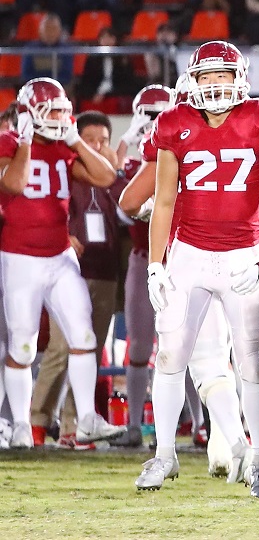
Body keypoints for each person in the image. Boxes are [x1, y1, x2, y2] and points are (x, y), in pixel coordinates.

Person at [134, 42, 259, 498]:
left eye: (223, 75)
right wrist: (156, 265)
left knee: (254, 363)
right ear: (193, 82)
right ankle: (164, 455)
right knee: (170, 358)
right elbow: (164, 201)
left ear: (239, 78)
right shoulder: (174, 122)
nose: (215, 84)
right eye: (206, 77)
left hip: (244, 254)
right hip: (189, 255)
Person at [0, 79, 116, 453]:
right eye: (51, 110)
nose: (60, 117)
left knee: (83, 336)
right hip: (19, 257)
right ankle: (20, 424)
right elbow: (14, 184)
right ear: (30, 113)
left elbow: (106, 176)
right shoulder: (8, 144)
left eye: (63, 109)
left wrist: (75, 141)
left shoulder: (65, 149)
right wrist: (26, 142)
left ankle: (86, 419)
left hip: (59, 256)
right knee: (22, 346)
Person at [26, 110, 124, 449]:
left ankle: (74, 426)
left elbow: (124, 199)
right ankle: (36, 420)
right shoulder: (66, 166)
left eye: (103, 141)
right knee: (59, 348)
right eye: (91, 139)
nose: (97, 146)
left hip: (104, 269)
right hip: (69, 269)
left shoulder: (106, 174)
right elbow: (42, 205)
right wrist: (64, 234)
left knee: (89, 351)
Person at [108, 85, 174, 448]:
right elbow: (119, 204)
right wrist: (126, 142)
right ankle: (134, 425)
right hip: (142, 258)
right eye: (149, 115)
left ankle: (197, 424)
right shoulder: (135, 164)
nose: (154, 122)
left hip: (180, 259)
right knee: (139, 346)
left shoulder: (186, 154)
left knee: (185, 347)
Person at [20, 15, 74, 85]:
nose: (50, 33)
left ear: (59, 31)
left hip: (60, 88)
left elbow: (66, 75)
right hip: (36, 88)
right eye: (47, 28)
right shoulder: (30, 48)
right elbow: (26, 74)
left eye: (54, 29)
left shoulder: (66, 49)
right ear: (40, 30)